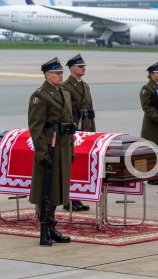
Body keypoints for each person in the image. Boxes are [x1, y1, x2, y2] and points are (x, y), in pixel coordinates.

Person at [28, 57, 74, 246]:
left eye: (62, 73)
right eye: (57, 73)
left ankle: (52, 226)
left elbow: (69, 123)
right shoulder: (40, 95)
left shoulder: (64, 92)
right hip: (49, 148)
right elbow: (36, 127)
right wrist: (42, 153)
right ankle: (45, 228)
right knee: (45, 191)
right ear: (47, 75)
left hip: (63, 146)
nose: (61, 76)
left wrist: (71, 148)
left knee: (57, 190)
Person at [61, 54, 93, 211]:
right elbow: (65, 109)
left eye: (84, 66)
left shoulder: (85, 85)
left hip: (85, 128)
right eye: (80, 66)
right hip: (74, 128)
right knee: (70, 165)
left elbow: (90, 110)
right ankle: (68, 199)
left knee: (80, 165)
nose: (83, 68)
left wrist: (92, 132)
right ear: (72, 68)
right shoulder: (66, 86)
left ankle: (77, 197)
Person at [139, 62, 158, 185]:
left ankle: (155, 174)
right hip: (152, 123)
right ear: (151, 74)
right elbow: (146, 106)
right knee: (151, 149)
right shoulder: (147, 88)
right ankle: (150, 175)